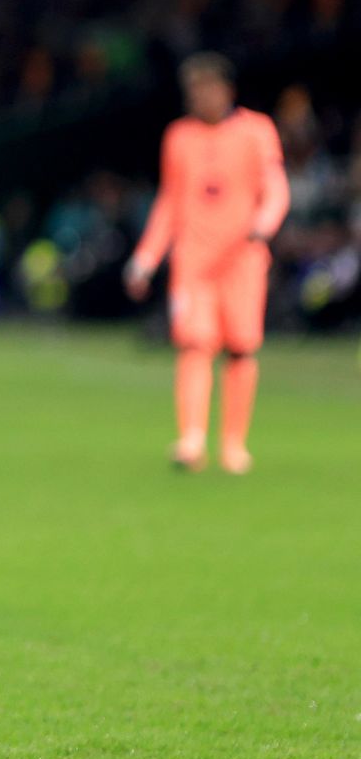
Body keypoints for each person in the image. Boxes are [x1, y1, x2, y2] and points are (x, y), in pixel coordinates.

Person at [125, 54, 289, 474]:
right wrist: (145, 258)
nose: (201, 97)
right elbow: (169, 202)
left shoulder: (257, 131)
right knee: (195, 345)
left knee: (240, 348)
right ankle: (192, 439)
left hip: (242, 258)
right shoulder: (179, 137)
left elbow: (275, 187)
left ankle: (234, 444)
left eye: (208, 88)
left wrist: (263, 225)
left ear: (227, 90)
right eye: (194, 90)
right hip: (193, 261)